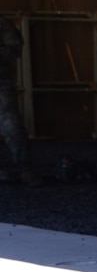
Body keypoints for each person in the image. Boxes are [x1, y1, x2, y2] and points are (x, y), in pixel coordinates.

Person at [0, 16, 38, 186]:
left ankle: (26, 168)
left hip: (1, 84)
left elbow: (14, 47)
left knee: (12, 127)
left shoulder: (2, 23)